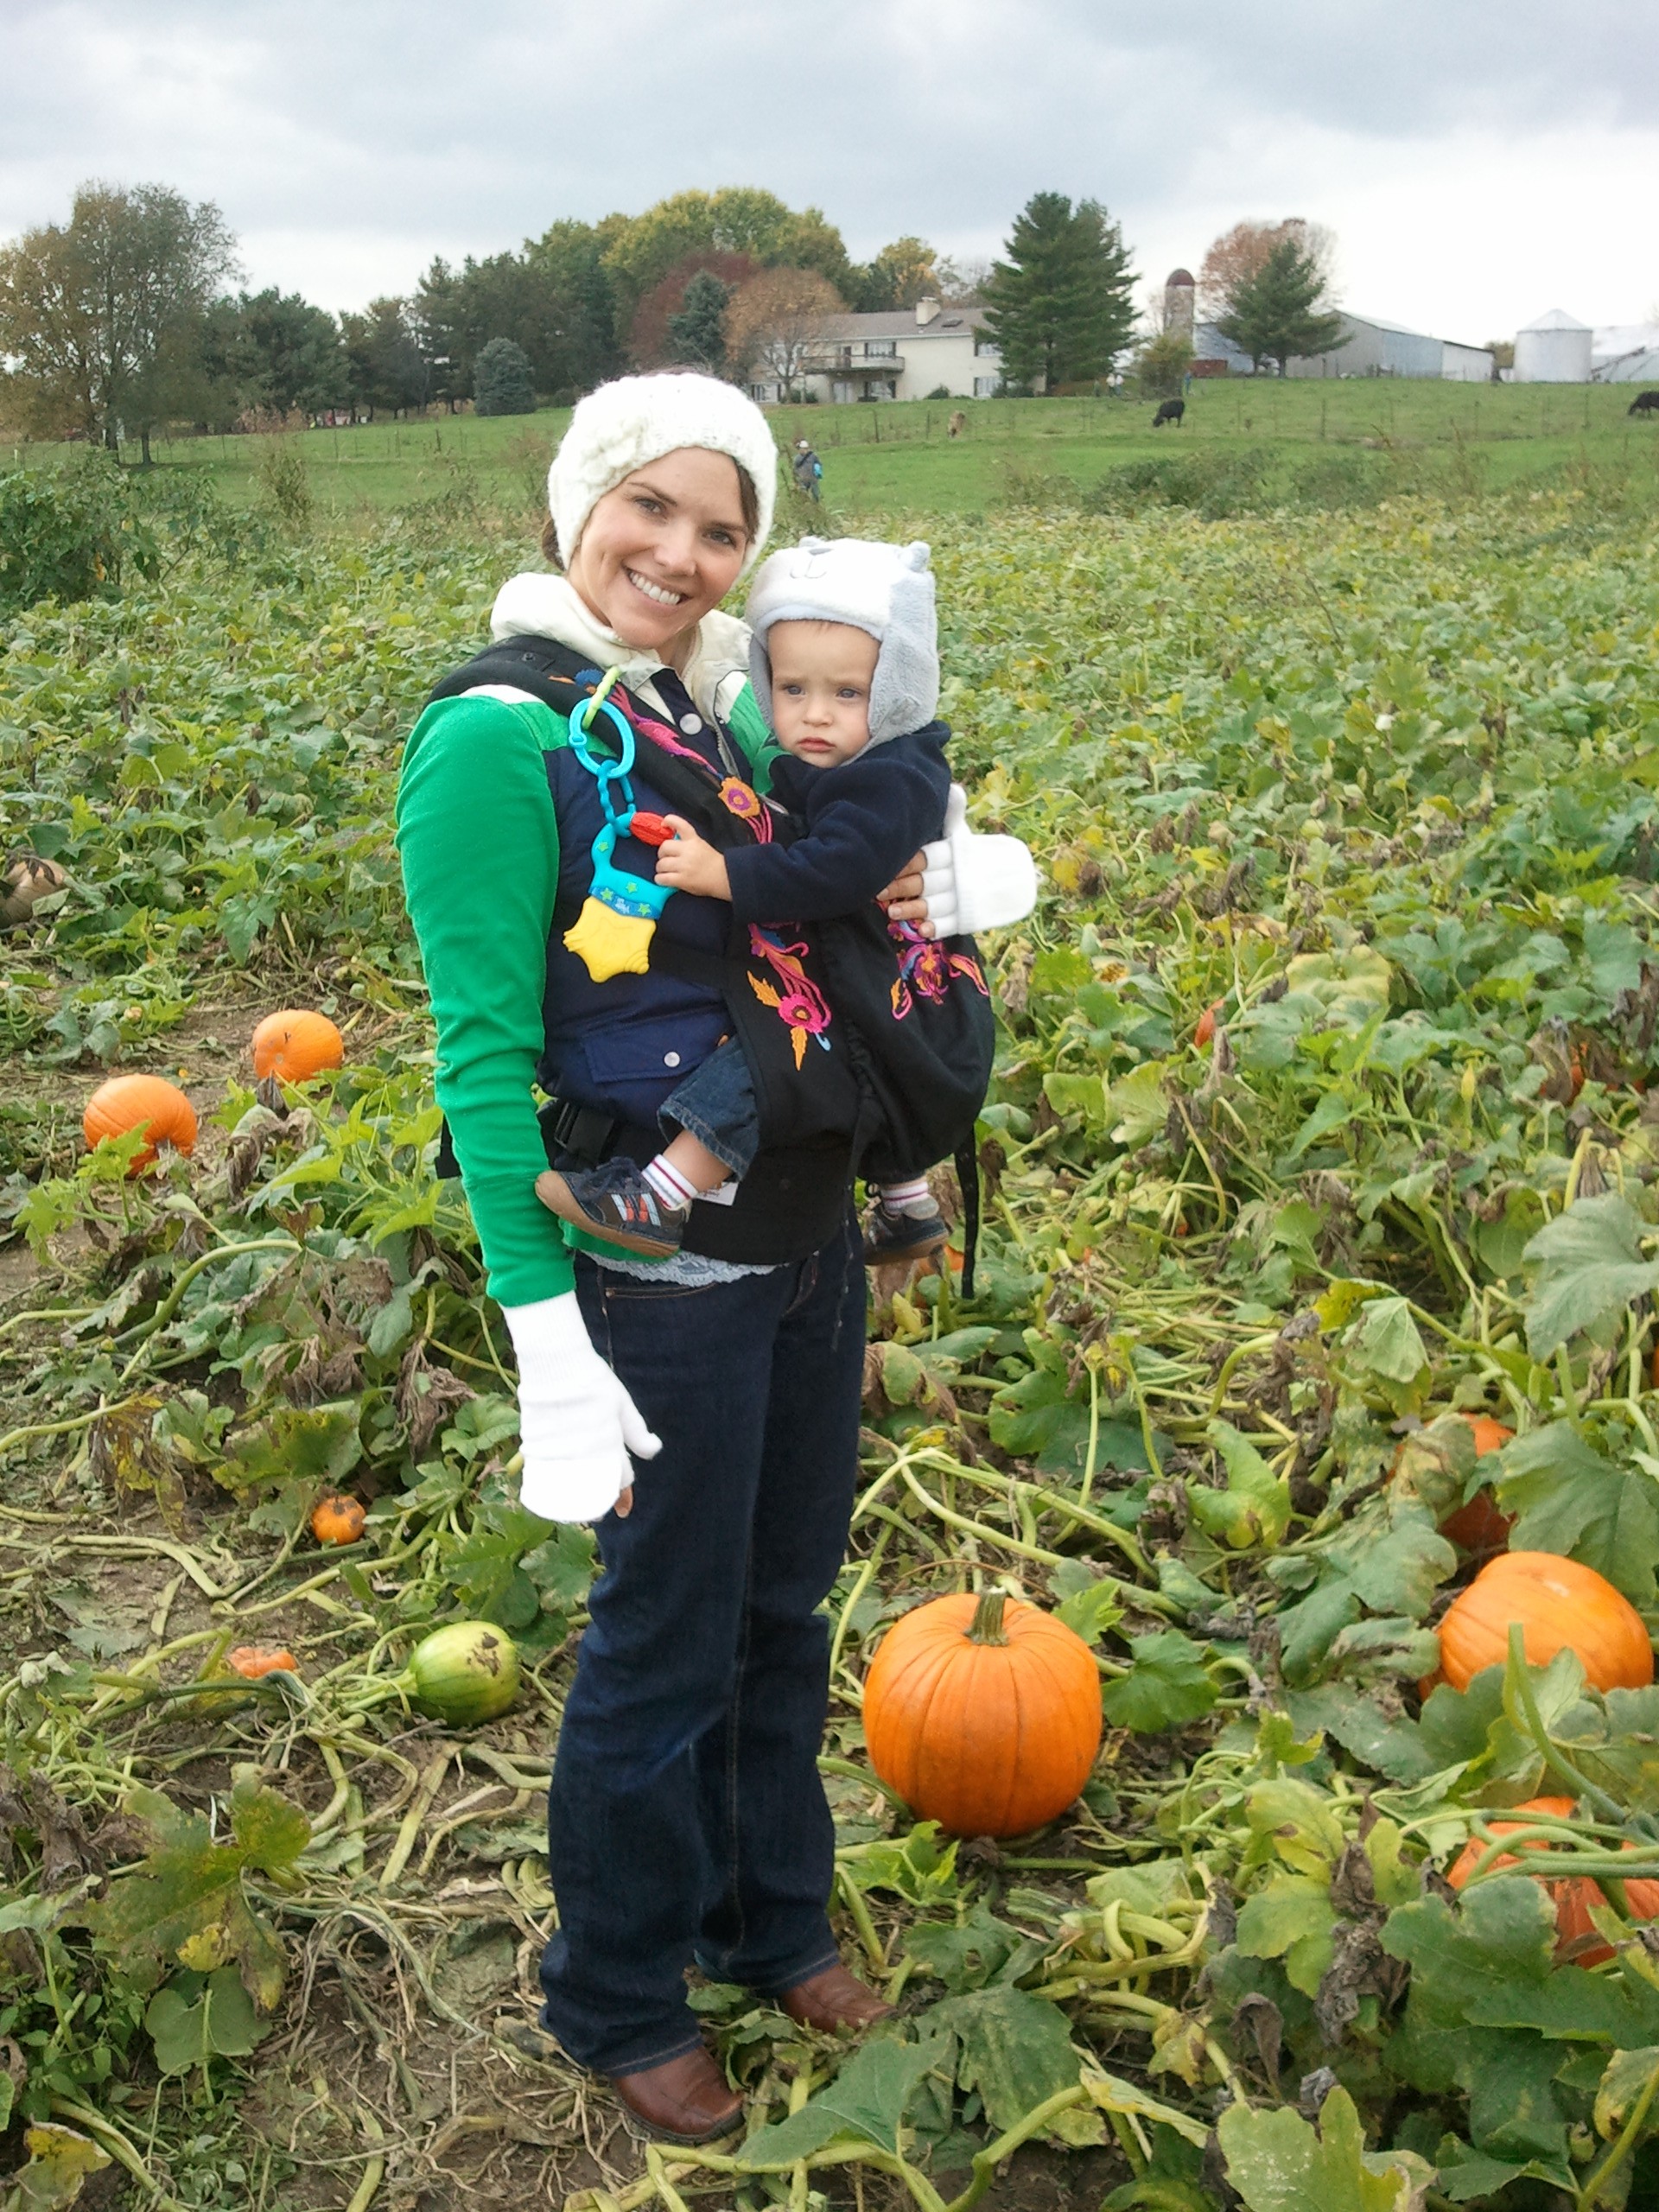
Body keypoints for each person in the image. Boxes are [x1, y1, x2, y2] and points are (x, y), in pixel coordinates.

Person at [397, 372, 1033, 2145]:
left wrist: (939, 892)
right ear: (576, 502)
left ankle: (773, 1919)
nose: (679, 553)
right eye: (650, 508)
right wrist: (544, 1338)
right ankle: (616, 1982)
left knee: (782, 1608)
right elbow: (477, 1059)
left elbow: (836, 896)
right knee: (663, 1640)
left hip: (805, 1241)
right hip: (653, 1284)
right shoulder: (497, 738)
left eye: (721, 526)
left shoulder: (718, 726)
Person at [537, 534, 982, 1268]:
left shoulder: (889, 776)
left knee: (771, 1061)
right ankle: (906, 1202)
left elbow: (833, 873)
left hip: (878, 975)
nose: (814, 715)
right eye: (792, 689)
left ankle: (661, 1194)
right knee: (862, 1062)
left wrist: (725, 875)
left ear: (901, 685)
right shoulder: (859, 758)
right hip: (882, 975)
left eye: (847, 693)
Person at [791, 435, 823, 501]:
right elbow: (795, 469)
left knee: (816, 495)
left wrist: (817, 471)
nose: (800, 450)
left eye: (801, 449)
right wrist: (796, 480)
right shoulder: (797, 458)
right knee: (803, 496)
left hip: (813, 479)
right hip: (803, 480)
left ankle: (817, 507)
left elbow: (819, 464)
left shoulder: (813, 456)